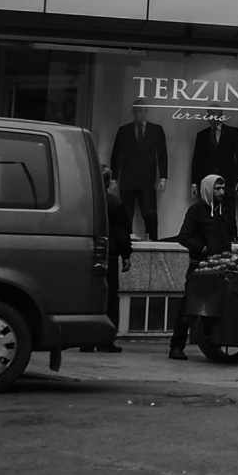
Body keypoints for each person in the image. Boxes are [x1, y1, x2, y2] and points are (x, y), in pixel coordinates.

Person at [169, 174, 236, 360]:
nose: (222, 192)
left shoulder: (224, 211)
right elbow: (184, 237)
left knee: (221, 305)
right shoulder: (196, 211)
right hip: (200, 267)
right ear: (208, 190)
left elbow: (226, 236)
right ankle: (176, 346)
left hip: (221, 267)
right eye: (217, 188)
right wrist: (202, 248)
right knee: (188, 306)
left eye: (223, 188)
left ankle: (213, 343)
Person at [84, 168, 130, 352]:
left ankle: (86, 340)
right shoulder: (115, 203)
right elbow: (121, 233)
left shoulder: (85, 201)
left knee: (89, 296)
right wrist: (126, 255)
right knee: (109, 297)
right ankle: (105, 339)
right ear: (108, 182)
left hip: (87, 253)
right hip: (109, 255)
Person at [109, 103, 167, 240]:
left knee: (150, 214)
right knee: (126, 214)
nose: (137, 114)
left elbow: (162, 154)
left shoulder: (156, 130)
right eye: (135, 111)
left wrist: (163, 177)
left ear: (146, 111)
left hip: (147, 179)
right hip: (128, 179)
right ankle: (125, 240)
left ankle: (152, 241)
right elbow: (117, 154)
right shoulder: (124, 130)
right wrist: (113, 179)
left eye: (140, 111)